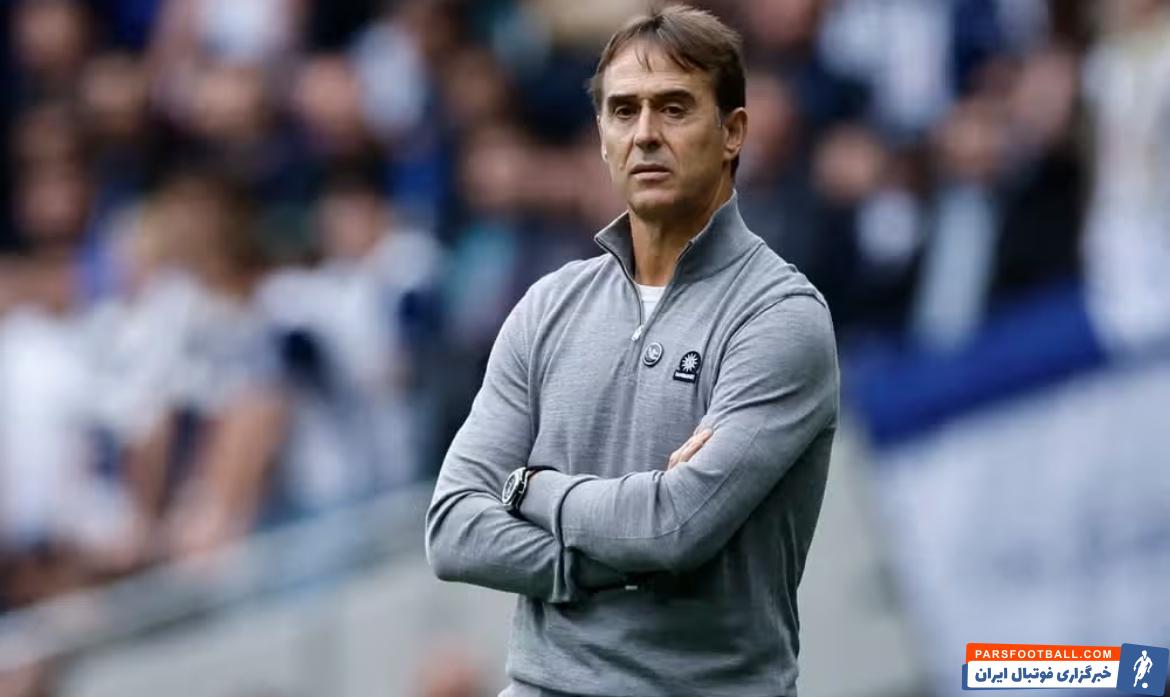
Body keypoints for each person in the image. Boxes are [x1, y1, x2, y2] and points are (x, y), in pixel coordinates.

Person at [425, 6, 839, 696]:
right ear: (601, 137)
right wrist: (596, 560)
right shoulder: (547, 306)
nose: (645, 132)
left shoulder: (779, 316)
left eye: (673, 108)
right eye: (623, 111)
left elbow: (674, 527)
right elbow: (453, 529)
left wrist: (527, 487)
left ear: (733, 131)